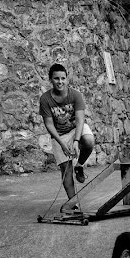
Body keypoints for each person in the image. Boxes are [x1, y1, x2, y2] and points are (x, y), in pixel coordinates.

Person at [39, 63, 95, 213]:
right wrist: (62, 145)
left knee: (89, 141)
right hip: (59, 135)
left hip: (75, 128)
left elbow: (80, 120)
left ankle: (80, 165)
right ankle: (73, 204)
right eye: (56, 78)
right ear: (50, 79)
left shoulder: (75, 95)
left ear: (67, 79)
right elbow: (49, 124)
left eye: (63, 78)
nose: (60, 82)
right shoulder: (45, 99)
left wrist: (76, 141)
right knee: (66, 171)